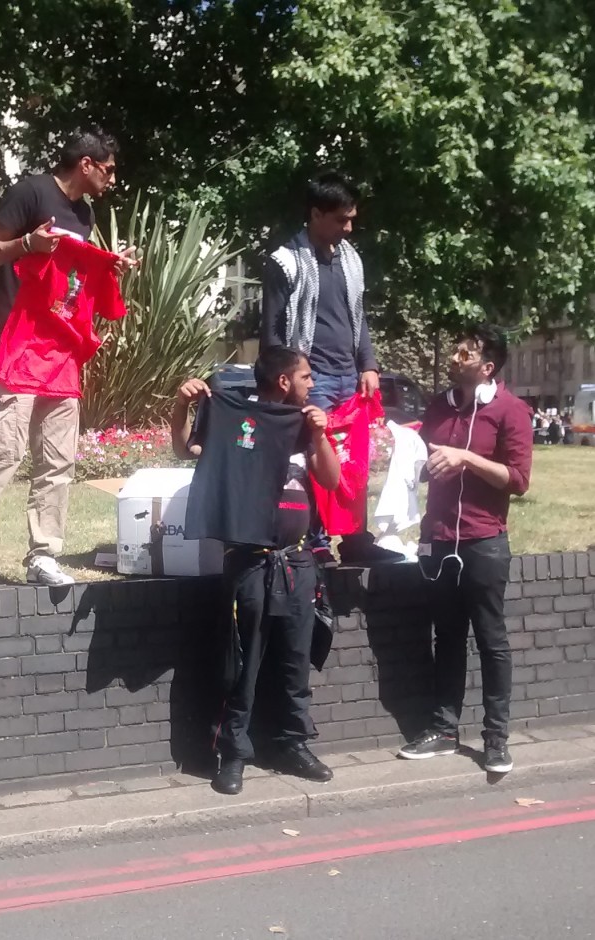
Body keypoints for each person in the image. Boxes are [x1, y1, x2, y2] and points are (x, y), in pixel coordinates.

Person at [0, 128, 137, 595]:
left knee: (57, 458)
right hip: (15, 341)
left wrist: (107, 266)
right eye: (109, 168)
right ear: (87, 164)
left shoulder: (85, 213)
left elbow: (72, 275)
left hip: (60, 348)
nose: (113, 178)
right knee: (2, 453)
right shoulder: (31, 191)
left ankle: (43, 554)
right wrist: (24, 246)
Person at [171, 347, 340, 795]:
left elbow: (331, 479)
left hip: (299, 562)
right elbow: (184, 449)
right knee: (242, 662)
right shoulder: (233, 417)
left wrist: (320, 436)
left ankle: (293, 744)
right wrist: (180, 407)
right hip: (250, 561)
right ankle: (233, 754)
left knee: (294, 661)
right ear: (284, 381)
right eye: (306, 376)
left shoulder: (305, 423)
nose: (312, 383)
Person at [399, 324, 533, 774]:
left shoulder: (510, 411)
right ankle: (444, 728)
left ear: (487, 366)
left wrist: (467, 458)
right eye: (455, 349)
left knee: (492, 641)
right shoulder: (440, 407)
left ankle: (496, 737)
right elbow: (423, 466)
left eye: (465, 352)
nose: (455, 357)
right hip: (440, 540)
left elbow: (518, 480)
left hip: (484, 542)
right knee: (448, 637)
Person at [260, 170, 379, 565]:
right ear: (315, 214)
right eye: (341, 219)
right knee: (315, 459)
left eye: (352, 218)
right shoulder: (285, 262)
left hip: (350, 375)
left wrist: (368, 364)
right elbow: (274, 330)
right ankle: (317, 540)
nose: (348, 227)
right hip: (312, 379)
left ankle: (357, 538)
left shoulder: (351, 260)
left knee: (355, 461)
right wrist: (286, 383)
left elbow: (358, 316)